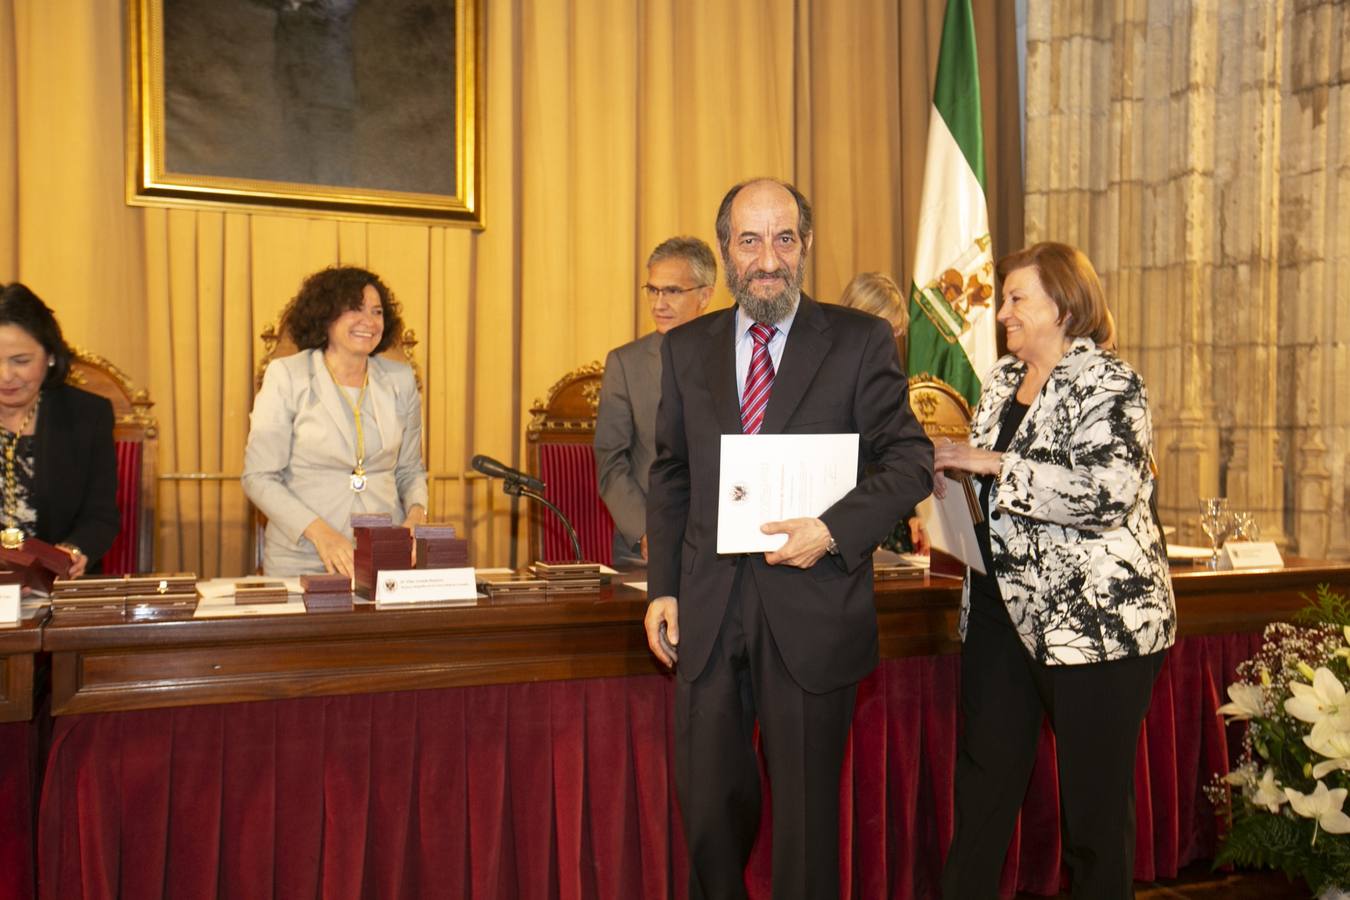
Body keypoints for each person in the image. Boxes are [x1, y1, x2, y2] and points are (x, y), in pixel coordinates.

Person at [644, 178, 933, 899]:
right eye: (750, 240)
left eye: (783, 239)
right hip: (709, 614)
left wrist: (832, 529)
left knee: (805, 829)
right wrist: (663, 592)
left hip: (812, 607)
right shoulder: (684, 349)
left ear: (804, 247)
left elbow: (910, 462)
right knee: (708, 812)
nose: (767, 258)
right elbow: (672, 476)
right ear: (726, 252)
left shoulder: (859, 342)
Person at [933, 242, 1175, 899]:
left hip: (1095, 621)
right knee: (982, 793)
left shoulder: (1109, 384)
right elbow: (990, 495)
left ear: (1065, 307)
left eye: (1017, 299)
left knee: (1094, 815)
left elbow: (1106, 494)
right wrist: (945, 483)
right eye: (1004, 298)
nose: (1003, 312)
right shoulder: (995, 385)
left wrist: (992, 465)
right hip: (997, 608)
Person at [243, 266, 428, 577]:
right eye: (354, 308)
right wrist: (323, 536)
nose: (369, 321)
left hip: (383, 558)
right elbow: (259, 478)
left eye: (377, 311)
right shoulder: (287, 376)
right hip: (304, 557)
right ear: (325, 316)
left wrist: (416, 517)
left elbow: (410, 470)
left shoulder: (400, 380)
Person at [594, 236, 715, 568]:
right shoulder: (625, 364)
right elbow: (611, 462)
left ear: (705, 295)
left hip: (721, 549)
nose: (658, 303)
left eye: (672, 291)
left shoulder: (734, 357)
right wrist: (647, 530)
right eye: (653, 290)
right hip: (647, 550)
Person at [0, 284, 119, 577]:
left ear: (51, 355)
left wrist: (72, 553)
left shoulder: (87, 416)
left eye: (21, 361)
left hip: (56, 588)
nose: (5, 376)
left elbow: (100, 516)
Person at [837, 272, 929, 555]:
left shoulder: (888, 379)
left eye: (898, 335)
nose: (893, 344)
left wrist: (913, 513)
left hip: (886, 523)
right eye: (889, 332)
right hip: (839, 523)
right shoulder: (826, 374)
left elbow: (896, 453)